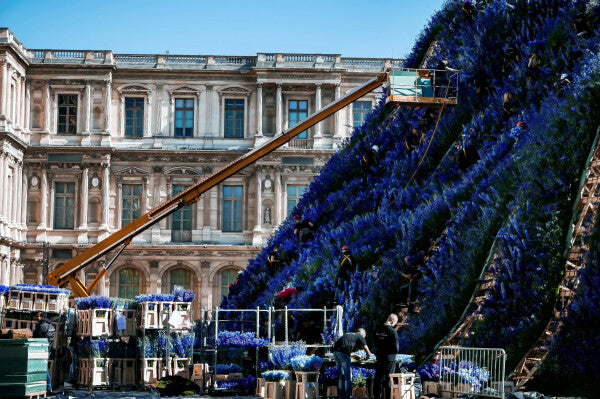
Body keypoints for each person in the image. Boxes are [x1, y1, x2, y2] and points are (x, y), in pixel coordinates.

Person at [332, 329, 373, 399]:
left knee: (341, 376)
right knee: (348, 377)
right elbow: (366, 348)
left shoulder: (349, 334)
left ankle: (341, 396)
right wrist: (369, 356)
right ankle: (348, 396)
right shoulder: (360, 336)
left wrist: (357, 356)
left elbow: (344, 350)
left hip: (335, 353)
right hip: (343, 354)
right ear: (362, 334)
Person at [373, 314, 400, 399]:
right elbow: (396, 348)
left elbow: (374, 344)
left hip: (379, 357)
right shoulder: (392, 331)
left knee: (378, 379)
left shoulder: (377, 329)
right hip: (389, 358)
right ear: (392, 321)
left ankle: (377, 397)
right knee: (388, 379)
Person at [34, 312, 55, 392]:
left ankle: (48, 387)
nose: (36, 318)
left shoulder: (41, 326)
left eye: (37, 316)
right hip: (48, 349)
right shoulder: (51, 326)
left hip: (40, 350)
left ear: (42, 317)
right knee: (43, 367)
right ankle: (47, 387)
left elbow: (36, 338)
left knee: (41, 367)